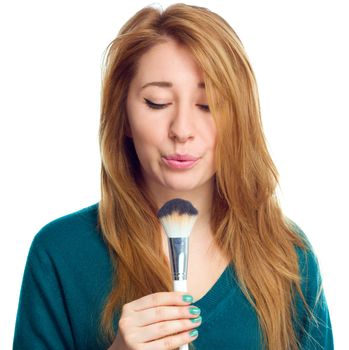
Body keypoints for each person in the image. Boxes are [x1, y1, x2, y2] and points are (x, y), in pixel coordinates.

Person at [13, 3, 334, 350]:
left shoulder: (287, 256)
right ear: (123, 116)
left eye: (208, 104)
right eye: (157, 102)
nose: (182, 130)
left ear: (239, 117)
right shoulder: (60, 253)